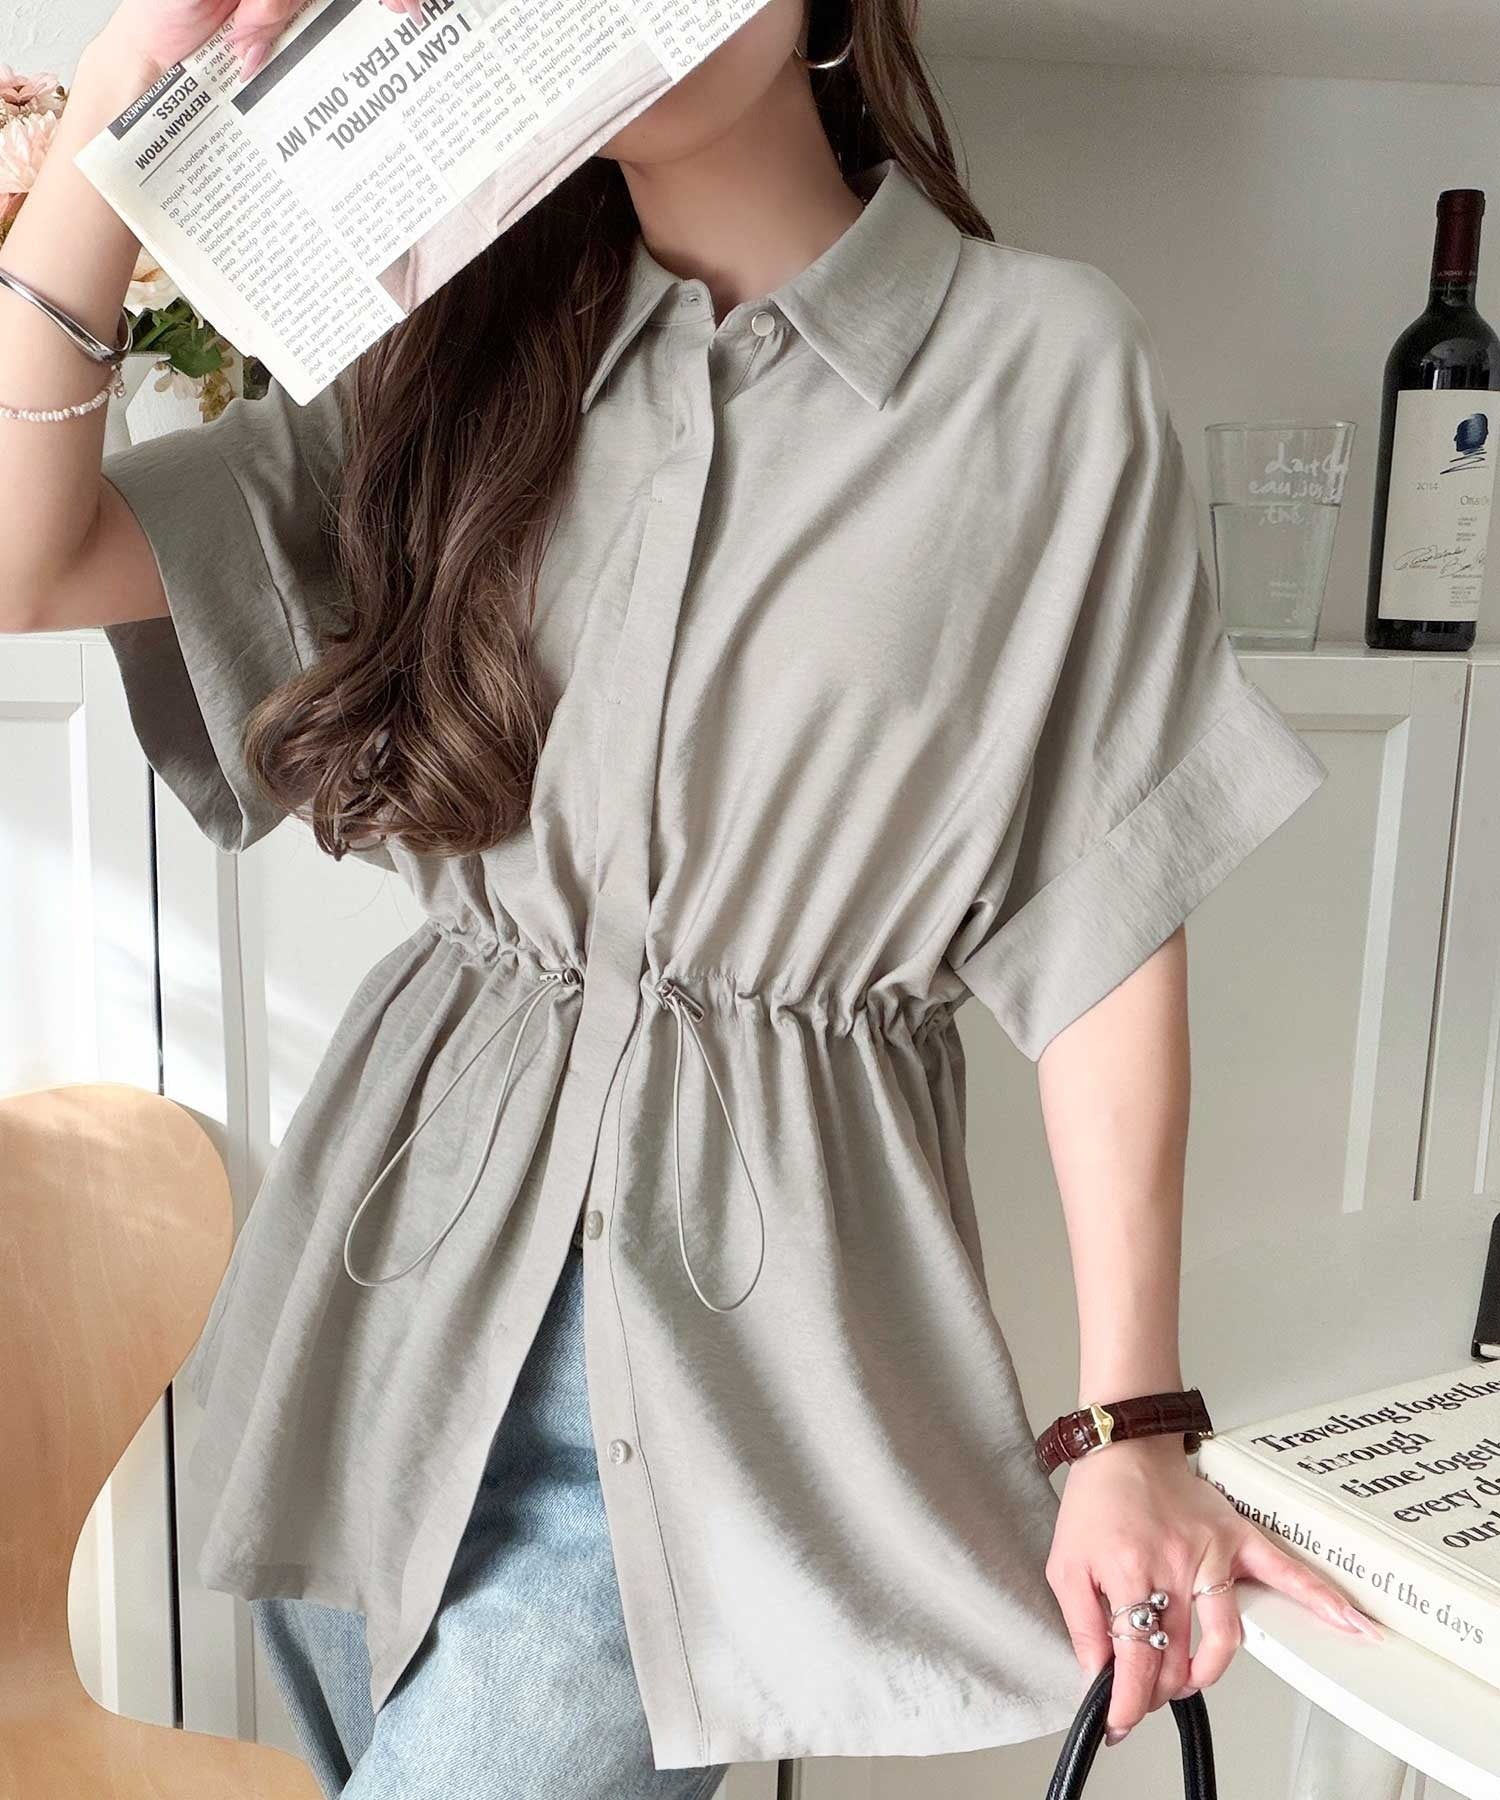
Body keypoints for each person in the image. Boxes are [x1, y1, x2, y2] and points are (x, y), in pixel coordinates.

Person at [0, 0, 1384, 1794]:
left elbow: (1105, 909)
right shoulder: (447, 364)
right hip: (381, 1312)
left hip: (733, 1374)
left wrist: (1131, 1420)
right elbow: (28, 558)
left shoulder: (1039, 368)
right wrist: (121, 110)